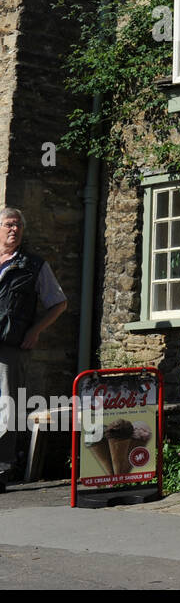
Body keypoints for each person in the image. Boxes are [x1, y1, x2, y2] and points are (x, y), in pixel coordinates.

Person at [0, 207, 67, 490]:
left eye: (18, 226)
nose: (14, 230)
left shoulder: (33, 265)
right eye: (8, 225)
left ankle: (1, 469)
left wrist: (34, 331)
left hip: (9, 347)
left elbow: (58, 302)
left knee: (6, 406)